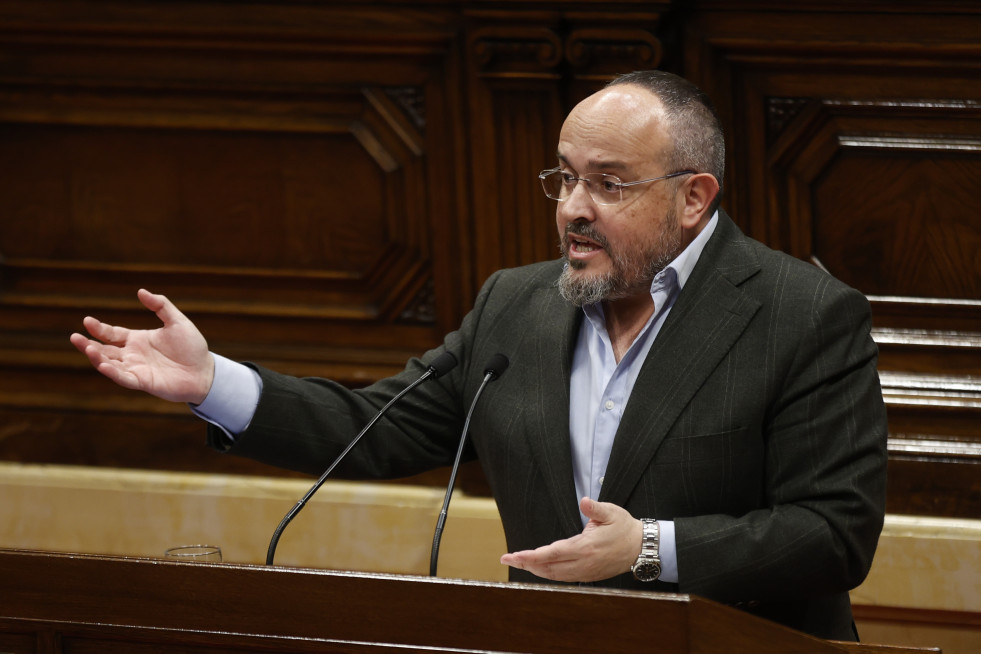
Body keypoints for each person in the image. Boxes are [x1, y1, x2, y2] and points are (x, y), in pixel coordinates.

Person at [70, 70, 887, 641]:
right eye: (563, 179)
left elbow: (832, 533)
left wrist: (651, 549)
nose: (571, 208)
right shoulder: (516, 304)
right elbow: (375, 427)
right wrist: (211, 383)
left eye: (607, 184)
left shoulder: (802, 316)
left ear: (692, 197)